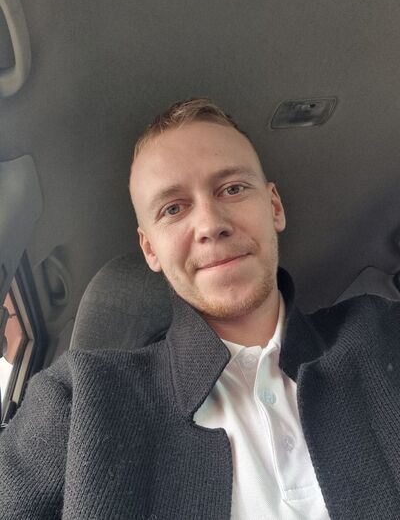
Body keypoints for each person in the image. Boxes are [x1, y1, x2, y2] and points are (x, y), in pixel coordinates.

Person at [0, 98, 399, 520]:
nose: (210, 225)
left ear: (274, 207)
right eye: (173, 209)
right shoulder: (79, 397)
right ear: (150, 249)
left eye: (233, 188)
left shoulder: (383, 333)